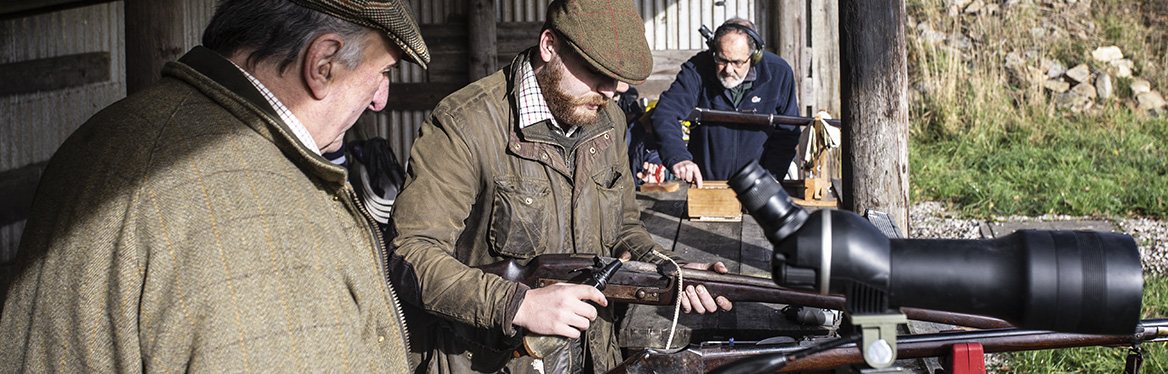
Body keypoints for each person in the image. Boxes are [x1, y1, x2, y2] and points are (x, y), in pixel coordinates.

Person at [0, 0, 430, 372]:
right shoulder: (266, 219)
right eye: (383, 72)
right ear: (324, 64)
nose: (380, 99)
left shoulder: (113, 129)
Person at [390, 0, 732, 373]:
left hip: (594, 356)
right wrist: (518, 304)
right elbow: (411, 254)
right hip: (494, 360)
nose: (612, 90)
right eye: (597, 71)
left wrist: (671, 270)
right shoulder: (464, 125)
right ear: (550, 46)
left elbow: (624, 228)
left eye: (620, 78)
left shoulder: (610, 120)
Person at [647, 18, 802, 187]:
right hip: (705, 185)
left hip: (759, 186)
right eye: (721, 60)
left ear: (754, 56)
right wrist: (678, 158)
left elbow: (787, 131)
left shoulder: (779, 73)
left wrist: (772, 174)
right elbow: (665, 113)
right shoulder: (697, 69)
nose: (728, 69)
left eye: (736, 62)